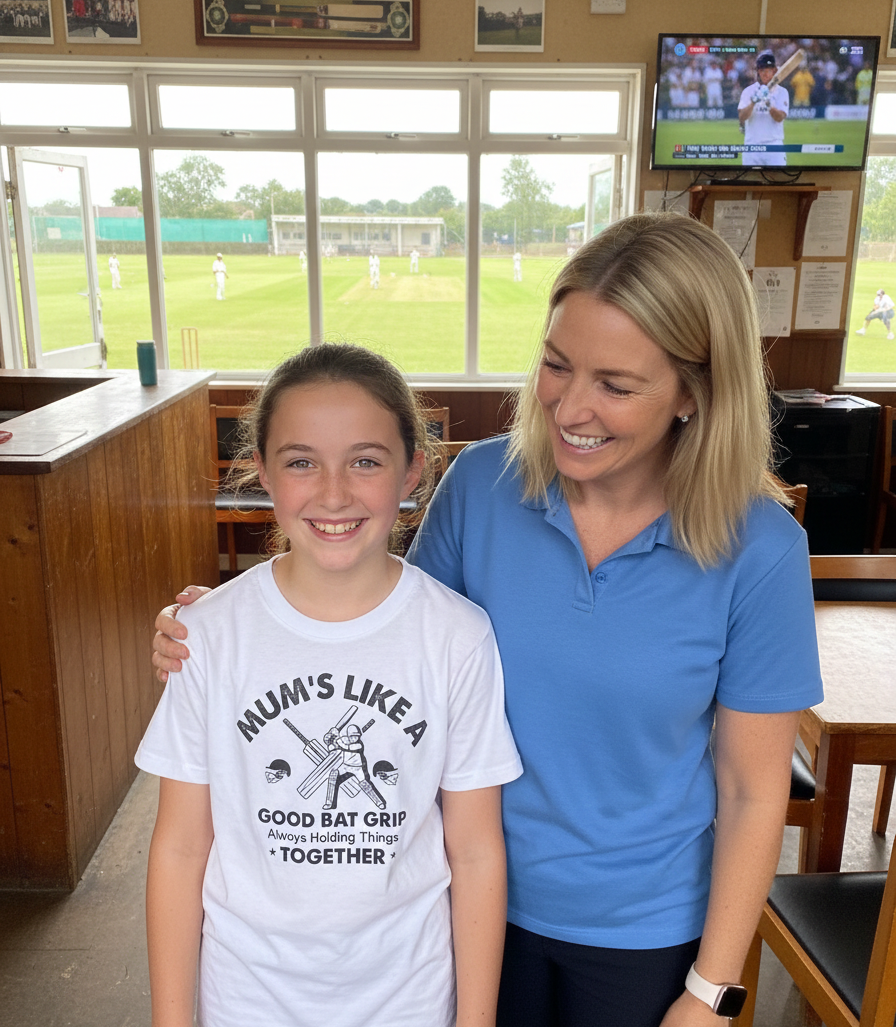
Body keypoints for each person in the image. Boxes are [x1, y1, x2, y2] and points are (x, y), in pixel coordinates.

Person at [153, 213, 823, 1027]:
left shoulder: (763, 550)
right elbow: (381, 631)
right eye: (555, 364)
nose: (570, 406)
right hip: (458, 901)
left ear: (694, 391)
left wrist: (712, 990)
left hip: (640, 932)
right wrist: (226, 627)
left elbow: (754, 791)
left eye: (614, 384)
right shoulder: (481, 485)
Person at [138, 343, 522, 1027]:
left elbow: (475, 846)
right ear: (261, 469)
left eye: (366, 460)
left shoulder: (457, 635)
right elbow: (179, 845)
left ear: (412, 470)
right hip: (248, 997)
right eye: (301, 461)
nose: (335, 492)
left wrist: (477, 1019)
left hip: (408, 996)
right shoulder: (210, 635)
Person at [738, 50, 790, 167]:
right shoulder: (748, 91)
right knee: (749, 183)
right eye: (762, 70)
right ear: (758, 71)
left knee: (778, 182)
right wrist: (753, 102)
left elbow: (779, 117)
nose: (766, 74)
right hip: (752, 146)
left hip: (774, 145)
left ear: (774, 71)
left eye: (769, 70)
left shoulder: (782, 92)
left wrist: (768, 104)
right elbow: (742, 117)